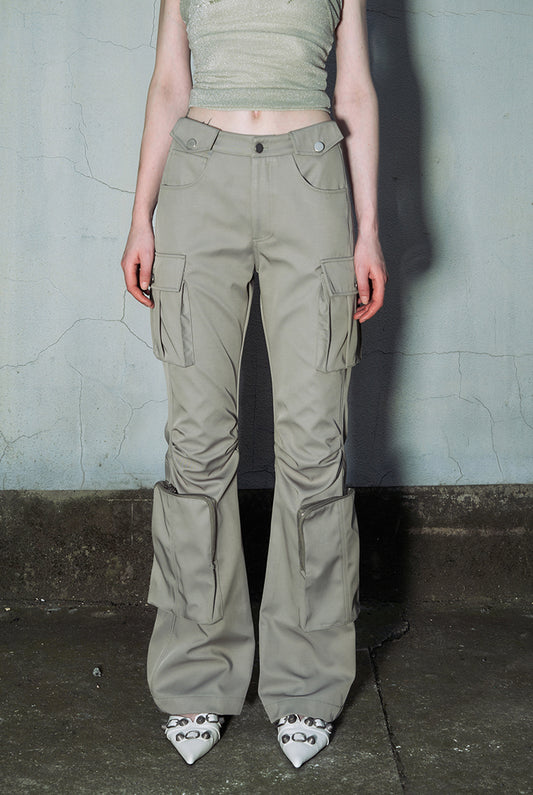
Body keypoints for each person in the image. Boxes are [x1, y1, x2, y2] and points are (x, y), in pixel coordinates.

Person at [121, 0, 387, 769]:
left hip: (312, 176)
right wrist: (141, 216)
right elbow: (169, 85)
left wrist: (368, 229)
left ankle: (306, 684)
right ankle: (195, 677)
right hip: (199, 176)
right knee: (197, 442)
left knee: (314, 446)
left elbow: (354, 89)